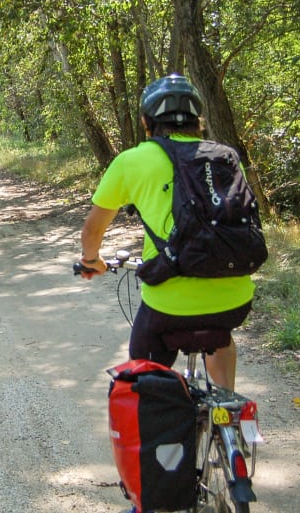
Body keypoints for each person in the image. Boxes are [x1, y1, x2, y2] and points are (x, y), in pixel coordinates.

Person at [78, 74, 255, 390]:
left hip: (168, 305)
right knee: (220, 336)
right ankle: (228, 409)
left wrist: (92, 260)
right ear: (198, 121)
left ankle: (160, 419)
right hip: (235, 297)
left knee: (145, 368)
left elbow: (92, 230)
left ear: (146, 122)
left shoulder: (131, 161)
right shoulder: (225, 156)